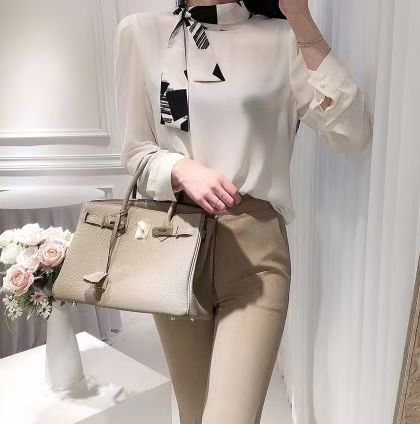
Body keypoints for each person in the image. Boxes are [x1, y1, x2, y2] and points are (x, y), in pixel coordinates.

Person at [114, 0, 372, 422]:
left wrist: (301, 18)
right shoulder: (140, 32)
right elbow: (136, 149)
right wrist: (179, 168)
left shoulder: (283, 39)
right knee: (194, 414)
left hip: (256, 253)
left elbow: (351, 131)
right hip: (172, 245)